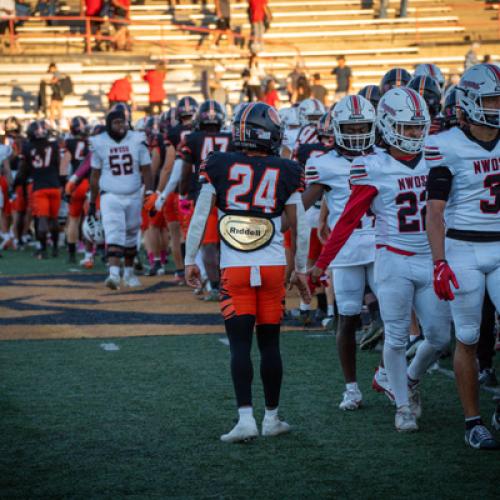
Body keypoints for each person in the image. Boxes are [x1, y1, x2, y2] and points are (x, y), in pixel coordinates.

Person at [310, 87, 452, 433]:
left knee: (439, 337)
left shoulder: (437, 156)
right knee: (397, 337)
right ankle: (402, 406)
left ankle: (411, 378)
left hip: (431, 256)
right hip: (392, 259)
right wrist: (320, 263)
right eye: (407, 127)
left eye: (419, 127)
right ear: (388, 125)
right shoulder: (371, 165)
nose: (416, 134)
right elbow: (346, 221)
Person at [184, 102, 311, 442]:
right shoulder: (288, 168)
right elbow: (300, 225)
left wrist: (189, 259)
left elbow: (200, 215)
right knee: (270, 345)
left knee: (239, 345)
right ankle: (271, 418)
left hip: (236, 267)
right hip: (271, 267)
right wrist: (300, 269)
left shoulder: (219, 163)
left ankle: (245, 420)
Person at [425, 63, 500, 450]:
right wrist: (439, 262)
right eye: (491, 99)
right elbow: (435, 211)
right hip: (464, 247)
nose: (498, 106)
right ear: (470, 101)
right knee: (468, 337)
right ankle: (473, 421)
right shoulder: (447, 144)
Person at [303, 96, 377, 410]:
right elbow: (303, 203)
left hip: (381, 244)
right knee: (346, 319)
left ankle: (391, 375)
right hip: (345, 251)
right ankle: (351, 388)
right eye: (352, 125)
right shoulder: (323, 163)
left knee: (393, 315)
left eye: (363, 125)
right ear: (337, 128)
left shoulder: (385, 157)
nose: (359, 130)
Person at [89, 108, 153, 289]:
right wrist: (93, 202)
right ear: (108, 125)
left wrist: (149, 193)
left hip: (133, 195)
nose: (121, 126)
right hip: (110, 195)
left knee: (132, 234)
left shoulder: (137, 139)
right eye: (116, 122)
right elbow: (94, 176)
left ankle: (130, 272)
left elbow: (147, 169)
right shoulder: (99, 142)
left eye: (122, 122)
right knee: (114, 232)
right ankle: (114, 275)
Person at [18, 120, 61, 259]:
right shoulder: (54, 145)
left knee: (42, 220)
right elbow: (59, 164)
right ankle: (55, 248)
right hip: (54, 185)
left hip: (39, 186)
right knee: (54, 219)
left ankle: (43, 249)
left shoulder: (27, 147)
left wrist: (19, 183)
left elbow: (23, 169)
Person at [61, 116, 89, 264]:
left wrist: (64, 186)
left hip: (75, 183)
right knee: (93, 217)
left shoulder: (69, 142)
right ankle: (95, 252)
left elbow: (64, 165)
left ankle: (72, 254)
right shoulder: (92, 141)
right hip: (90, 182)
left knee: (73, 220)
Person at [46, 62, 64, 127]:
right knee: (58, 108)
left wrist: (46, 81)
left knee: (53, 108)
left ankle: (52, 122)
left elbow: (54, 80)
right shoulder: (56, 73)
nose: (50, 70)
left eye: (50, 68)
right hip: (58, 93)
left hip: (57, 93)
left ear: (53, 68)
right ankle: (59, 123)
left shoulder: (57, 73)